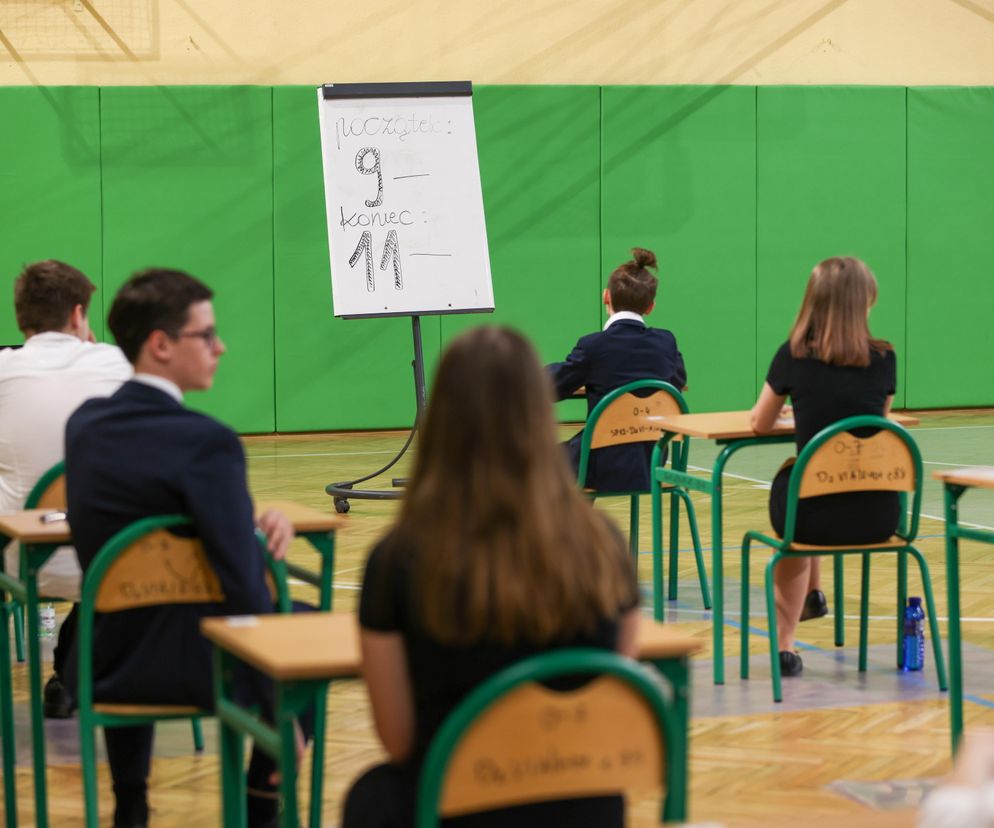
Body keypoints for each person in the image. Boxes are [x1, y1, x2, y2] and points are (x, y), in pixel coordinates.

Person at [343, 326, 640, 828]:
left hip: (453, 799)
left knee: (370, 798)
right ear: (539, 415)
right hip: (583, 804)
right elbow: (612, 697)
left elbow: (398, 739)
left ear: (443, 419)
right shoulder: (603, 547)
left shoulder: (397, 560)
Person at [64, 268, 298, 828]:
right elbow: (242, 581)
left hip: (100, 656)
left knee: (143, 610)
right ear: (161, 344)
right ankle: (262, 807)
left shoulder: (84, 427)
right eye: (207, 335)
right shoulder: (208, 443)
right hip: (194, 663)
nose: (221, 347)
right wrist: (275, 699)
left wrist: (242, 522)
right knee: (302, 636)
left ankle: (132, 801)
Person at [751, 256, 899, 679]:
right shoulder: (885, 358)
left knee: (799, 490)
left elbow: (760, 423)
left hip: (814, 517)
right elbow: (875, 427)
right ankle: (815, 593)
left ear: (812, 302)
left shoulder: (793, 356)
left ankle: (785, 647)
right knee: (814, 478)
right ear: (864, 302)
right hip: (878, 515)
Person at [0, 260, 131, 718]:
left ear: (22, 319)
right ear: (79, 315)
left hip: (19, 565)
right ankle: (70, 672)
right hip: (116, 563)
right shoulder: (117, 364)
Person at [548, 247, 686, 491]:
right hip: (651, 463)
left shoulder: (593, 347)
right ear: (650, 306)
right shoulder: (667, 342)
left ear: (606, 297)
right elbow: (677, 382)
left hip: (599, 465)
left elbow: (553, 387)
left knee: (537, 459)